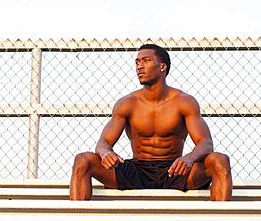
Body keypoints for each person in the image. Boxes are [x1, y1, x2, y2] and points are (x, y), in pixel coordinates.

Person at [69, 44, 232, 201]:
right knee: (83, 160)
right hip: (137, 170)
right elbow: (103, 143)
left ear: (162, 67)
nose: (139, 66)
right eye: (137, 62)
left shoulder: (184, 102)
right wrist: (105, 153)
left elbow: (205, 143)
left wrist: (189, 158)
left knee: (220, 160)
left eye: (146, 61)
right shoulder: (127, 103)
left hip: (174, 170)